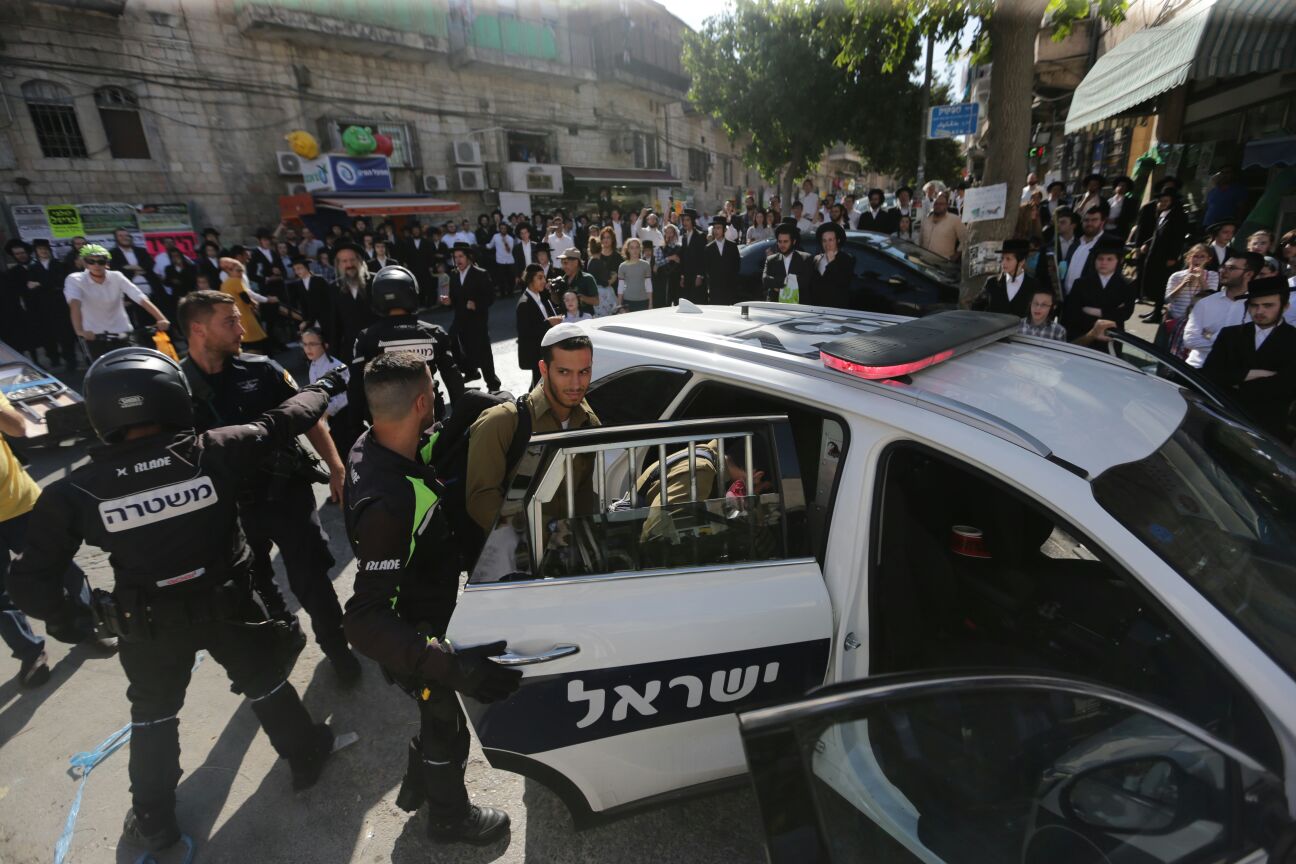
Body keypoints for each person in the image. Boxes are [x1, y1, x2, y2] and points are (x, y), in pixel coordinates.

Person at [8, 347, 349, 852]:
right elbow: (284, 418)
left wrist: (76, 623)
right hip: (231, 606)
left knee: (153, 716)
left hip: (145, 623)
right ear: (172, 396)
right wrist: (324, 387)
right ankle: (304, 757)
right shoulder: (213, 449)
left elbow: (31, 582)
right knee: (266, 684)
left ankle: (153, 818)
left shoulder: (76, 490)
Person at [342, 352, 521, 846]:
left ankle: (421, 782)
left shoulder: (369, 443)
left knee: (435, 717)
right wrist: (452, 666)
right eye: (435, 397)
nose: (438, 405)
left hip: (424, 612)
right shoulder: (392, 504)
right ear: (421, 401)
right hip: (412, 636)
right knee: (445, 722)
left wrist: (474, 410)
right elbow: (362, 620)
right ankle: (448, 819)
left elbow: (427, 449)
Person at [176, 290, 360, 683]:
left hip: (285, 495)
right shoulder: (175, 387)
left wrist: (336, 467)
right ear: (198, 329)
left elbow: (309, 416)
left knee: (312, 579)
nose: (242, 328)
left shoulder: (262, 370)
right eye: (230, 321)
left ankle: (336, 647)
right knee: (254, 583)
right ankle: (283, 633)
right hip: (228, 509)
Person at [0, 392, 99, 688]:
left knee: (61, 567)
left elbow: (18, 428)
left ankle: (90, 627)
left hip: (21, 504)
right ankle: (31, 652)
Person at [466, 324, 601, 535]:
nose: (576, 384)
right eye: (564, 372)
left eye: (583, 372)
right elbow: (481, 501)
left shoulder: (588, 423)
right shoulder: (502, 422)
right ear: (544, 369)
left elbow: (582, 494)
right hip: (511, 557)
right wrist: (542, 534)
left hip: (565, 558)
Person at [348, 265, 464, 439]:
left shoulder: (367, 338)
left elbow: (356, 385)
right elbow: (453, 377)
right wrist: (461, 419)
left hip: (385, 421)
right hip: (428, 417)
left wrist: (355, 426)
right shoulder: (434, 333)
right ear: (412, 292)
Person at [1200, 276, 1294, 439]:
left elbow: (1286, 387)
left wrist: (1233, 381)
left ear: (1285, 306)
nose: (1259, 311)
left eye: (1268, 305)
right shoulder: (1230, 335)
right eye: (1254, 305)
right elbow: (1208, 375)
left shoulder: (1293, 339)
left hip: (1267, 430)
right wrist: (1248, 374)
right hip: (1224, 421)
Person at [65, 244, 171, 358]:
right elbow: (75, 303)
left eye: (101, 261)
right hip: (94, 335)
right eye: (91, 261)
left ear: (107, 264)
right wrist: (80, 331)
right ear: (85, 263)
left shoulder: (117, 276)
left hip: (123, 332)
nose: (96, 265)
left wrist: (161, 318)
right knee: (102, 372)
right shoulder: (75, 279)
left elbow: (140, 297)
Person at [1183, 251, 1261, 368]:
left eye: (1231, 268)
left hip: (1231, 373)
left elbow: (1254, 345)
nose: (1223, 271)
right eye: (1223, 267)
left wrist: (1210, 337)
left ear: (1249, 274)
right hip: (1197, 367)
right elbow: (1190, 339)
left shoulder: (1257, 307)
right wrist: (1228, 348)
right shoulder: (1205, 302)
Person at [443, 242, 499, 391]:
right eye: (455, 257)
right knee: (450, 340)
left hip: (477, 320)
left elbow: (491, 297)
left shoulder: (480, 273)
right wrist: (449, 301)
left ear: (468, 257)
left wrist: (477, 304)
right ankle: (470, 371)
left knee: (483, 351)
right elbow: (455, 297)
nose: (458, 260)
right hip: (460, 319)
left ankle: (493, 384)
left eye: (460, 256)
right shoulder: (454, 275)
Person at [1063, 235, 1137, 342]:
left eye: (1109, 259)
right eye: (1100, 258)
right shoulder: (1081, 283)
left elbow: (1126, 313)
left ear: (1118, 261)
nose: (1104, 262)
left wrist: (1099, 312)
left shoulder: (1127, 285)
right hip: (1084, 335)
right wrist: (1113, 312)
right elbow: (1073, 312)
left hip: (1111, 336)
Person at [1131, 188, 1188, 322]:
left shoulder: (1178, 216)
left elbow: (1178, 238)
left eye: (1166, 201)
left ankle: (1157, 313)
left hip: (1166, 257)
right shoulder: (1162, 215)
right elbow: (1157, 234)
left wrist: (1173, 257)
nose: (1162, 203)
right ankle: (1155, 311)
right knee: (1155, 283)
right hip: (1155, 255)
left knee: (1162, 284)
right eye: (1161, 201)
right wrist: (1146, 243)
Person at [26, 239, 78, 370]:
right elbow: (31, 286)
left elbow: (60, 282)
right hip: (43, 307)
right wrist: (42, 285)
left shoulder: (59, 265)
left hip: (61, 305)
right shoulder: (33, 268)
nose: (43, 252)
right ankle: (54, 359)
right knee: (49, 334)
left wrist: (41, 284)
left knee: (66, 334)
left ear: (49, 250)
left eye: (45, 249)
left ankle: (70, 360)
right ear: (36, 252)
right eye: (40, 250)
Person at [301, 326, 352, 459]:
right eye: (305, 344)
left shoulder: (336, 366)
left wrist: (328, 411)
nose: (308, 348)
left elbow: (347, 395)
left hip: (343, 416)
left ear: (325, 345)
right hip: (328, 417)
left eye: (312, 344)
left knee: (346, 451)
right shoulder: (313, 364)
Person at [326, 243, 375, 365]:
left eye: (352, 260)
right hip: (351, 351)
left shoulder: (375, 282)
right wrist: (333, 356)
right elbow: (334, 325)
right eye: (344, 261)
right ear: (338, 265)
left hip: (378, 346)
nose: (349, 265)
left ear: (360, 260)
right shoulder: (334, 289)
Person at [517, 264, 563, 388]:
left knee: (539, 384)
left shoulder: (540, 296)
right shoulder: (524, 304)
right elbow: (526, 332)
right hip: (535, 354)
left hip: (543, 351)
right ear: (530, 279)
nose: (544, 281)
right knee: (539, 386)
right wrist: (549, 323)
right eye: (540, 278)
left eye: (544, 277)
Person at [972, 239, 1038, 319]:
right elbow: (976, 308)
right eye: (1002, 258)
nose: (1003, 262)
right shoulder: (992, 283)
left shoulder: (1033, 286)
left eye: (1008, 259)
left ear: (1021, 262)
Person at [217, 256, 272, 353]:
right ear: (230, 271)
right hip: (243, 313)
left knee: (243, 338)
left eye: (242, 271)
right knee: (254, 338)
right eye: (238, 271)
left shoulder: (224, 284)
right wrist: (253, 304)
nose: (241, 274)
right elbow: (245, 297)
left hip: (233, 313)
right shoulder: (236, 281)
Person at [1163, 244, 1219, 328]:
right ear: (1189, 258)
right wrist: (1183, 283)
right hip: (1174, 320)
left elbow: (1210, 299)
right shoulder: (1176, 276)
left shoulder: (1212, 275)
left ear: (1208, 259)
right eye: (1195, 256)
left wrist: (1201, 279)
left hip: (1196, 323)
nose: (1198, 260)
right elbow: (1168, 300)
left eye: (1202, 257)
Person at [763, 221, 815, 303]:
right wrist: (788, 281)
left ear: (793, 242)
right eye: (780, 241)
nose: (782, 245)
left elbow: (804, 282)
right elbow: (765, 279)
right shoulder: (771, 260)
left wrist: (778, 285)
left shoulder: (805, 258)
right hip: (775, 306)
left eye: (785, 241)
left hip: (798, 307)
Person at [806, 222, 854, 309]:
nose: (827, 244)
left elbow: (842, 282)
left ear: (837, 241)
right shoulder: (817, 258)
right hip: (817, 309)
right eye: (824, 240)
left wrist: (832, 261)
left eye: (830, 240)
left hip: (836, 309)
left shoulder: (846, 259)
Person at [1062, 207, 1108, 296]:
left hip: (1089, 301)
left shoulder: (1107, 244)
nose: (1089, 223)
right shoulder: (1075, 243)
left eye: (1094, 220)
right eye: (1086, 220)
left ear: (1102, 222)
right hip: (1067, 298)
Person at [919, 191, 966, 261]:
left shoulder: (955, 220)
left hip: (943, 263)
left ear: (947, 205)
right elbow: (920, 240)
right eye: (936, 204)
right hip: (924, 261)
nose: (938, 206)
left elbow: (965, 239)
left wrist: (956, 255)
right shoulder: (926, 220)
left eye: (941, 204)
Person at [704, 217, 741, 306]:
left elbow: (737, 265)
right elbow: (707, 268)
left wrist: (732, 281)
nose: (716, 231)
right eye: (714, 228)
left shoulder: (732, 246)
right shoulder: (708, 248)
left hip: (729, 288)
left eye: (718, 228)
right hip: (715, 289)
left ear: (724, 229)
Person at [586, 228, 623, 317]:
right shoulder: (596, 256)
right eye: (604, 238)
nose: (606, 240)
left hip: (615, 292)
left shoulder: (618, 257)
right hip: (599, 295)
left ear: (613, 239)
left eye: (608, 237)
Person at [677, 209, 708, 304]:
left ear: (693, 221)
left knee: (698, 301)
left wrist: (700, 276)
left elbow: (703, 258)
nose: (684, 222)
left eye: (687, 220)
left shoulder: (701, 235)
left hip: (696, 276)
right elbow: (683, 258)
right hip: (687, 276)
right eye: (683, 220)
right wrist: (682, 276)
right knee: (687, 302)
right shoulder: (684, 237)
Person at [617, 238, 653, 312]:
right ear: (628, 250)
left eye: (637, 247)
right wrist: (619, 305)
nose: (635, 250)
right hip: (628, 301)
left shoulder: (646, 265)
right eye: (632, 248)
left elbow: (648, 285)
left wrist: (650, 303)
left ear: (640, 249)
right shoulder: (622, 266)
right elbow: (620, 287)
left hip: (643, 301)